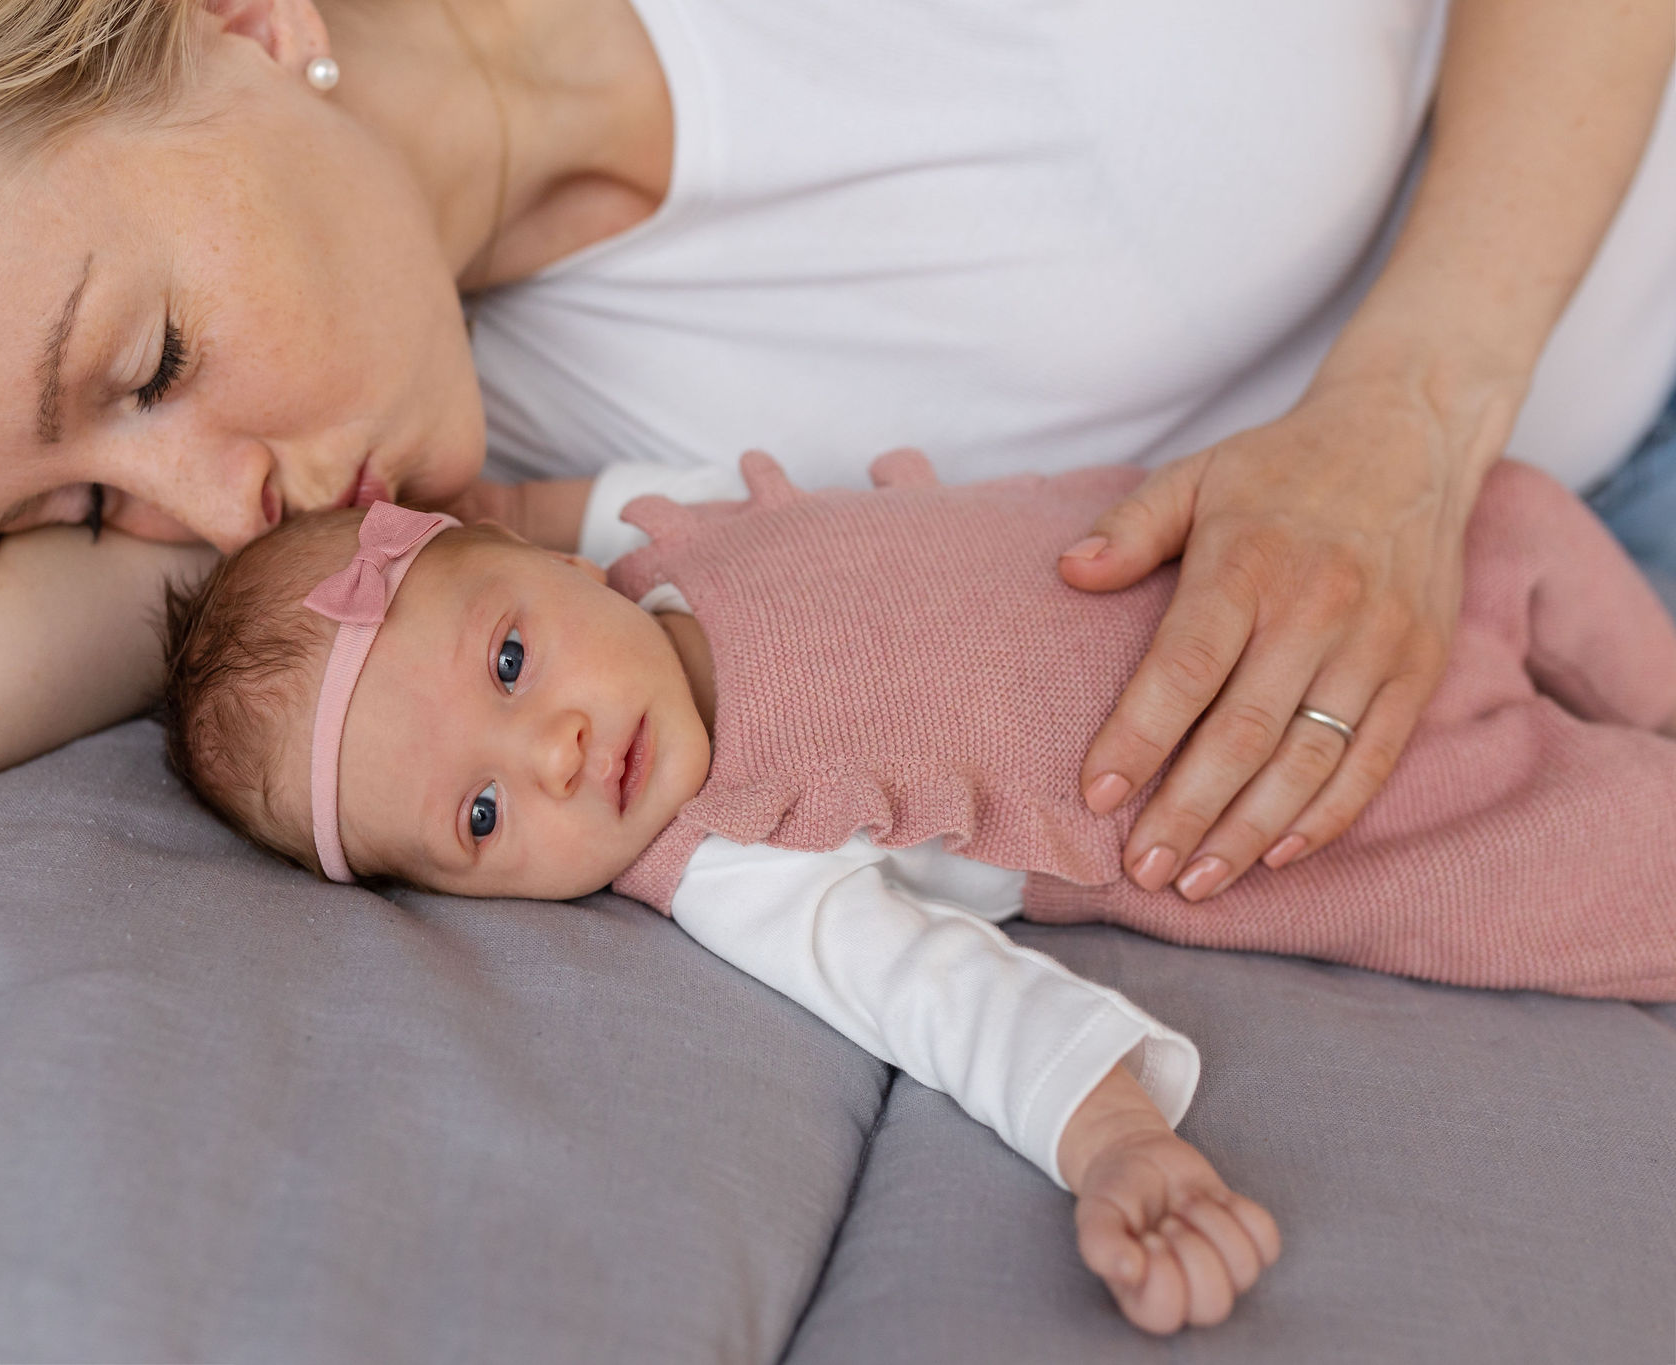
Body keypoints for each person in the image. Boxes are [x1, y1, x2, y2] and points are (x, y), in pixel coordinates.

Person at [0, 0, 1674, 909]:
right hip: (1577, 610)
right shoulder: (473, 515)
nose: (216, 516)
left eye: (150, 359)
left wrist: (1409, 416)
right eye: (80, 512)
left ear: (241, 23)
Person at [152, 448, 1676, 1329]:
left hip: (1261, 556)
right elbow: (946, 999)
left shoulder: (659, 548)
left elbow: (564, 499)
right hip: (1320, 796)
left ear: (525, 562)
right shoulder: (734, 862)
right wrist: (1119, 1142)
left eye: (505, 657)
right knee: (1610, 874)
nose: (549, 749)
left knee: (1512, 513)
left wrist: (480, 489)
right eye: (478, 812)